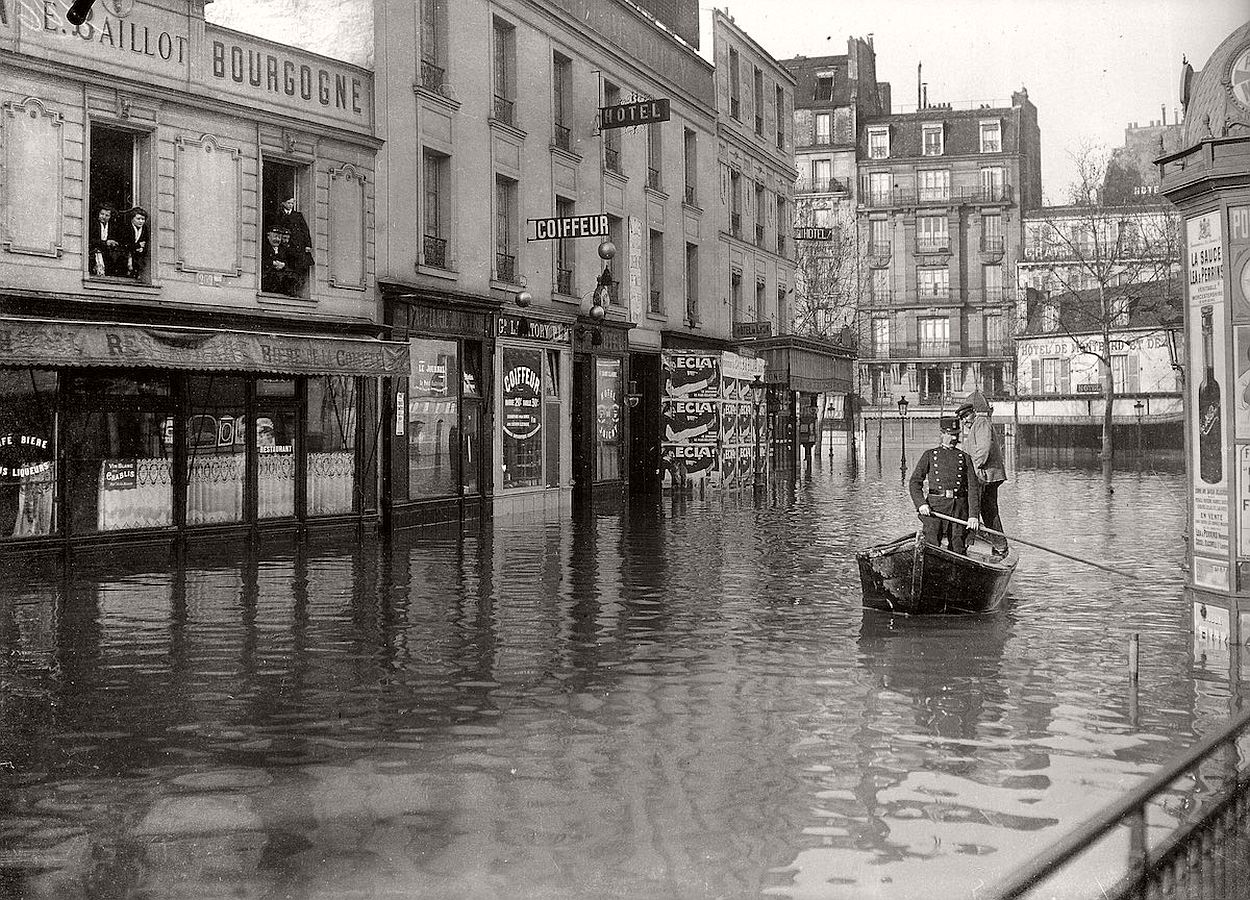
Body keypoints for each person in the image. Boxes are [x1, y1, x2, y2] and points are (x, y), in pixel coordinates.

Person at [908, 416, 981, 555]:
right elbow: (914, 482)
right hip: (935, 508)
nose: (954, 438)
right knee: (931, 546)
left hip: (958, 510)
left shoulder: (965, 457)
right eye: (950, 434)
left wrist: (973, 516)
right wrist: (921, 504)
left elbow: (973, 489)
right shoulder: (929, 455)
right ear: (941, 434)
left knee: (958, 547)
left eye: (956, 434)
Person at [956, 391, 1009, 558]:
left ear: (974, 413)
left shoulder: (981, 423)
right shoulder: (977, 425)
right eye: (962, 418)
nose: (964, 420)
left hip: (985, 475)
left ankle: (974, 544)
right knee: (986, 509)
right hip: (986, 474)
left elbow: (984, 450)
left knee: (979, 508)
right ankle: (997, 544)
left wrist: (970, 469)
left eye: (966, 416)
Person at [275, 198, 313, 293]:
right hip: (285, 244)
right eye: (288, 203)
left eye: (292, 203)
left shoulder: (298, 215)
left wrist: (308, 245)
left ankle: (294, 289)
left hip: (297, 245)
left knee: (297, 267)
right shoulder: (279, 215)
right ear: (283, 203)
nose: (291, 205)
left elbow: (305, 230)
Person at [89, 203, 123, 276]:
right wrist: (105, 243)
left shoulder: (113, 227)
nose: (104, 217)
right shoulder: (93, 224)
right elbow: (91, 240)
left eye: (107, 215)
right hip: (94, 252)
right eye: (102, 214)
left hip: (107, 254)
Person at [261, 224, 292, 294]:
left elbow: (288, 262)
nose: (277, 240)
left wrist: (283, 265)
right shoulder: (264, 248)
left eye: (279, 237)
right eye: (275, 237)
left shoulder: (283, 250)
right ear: (268, 236)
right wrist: (273, 263)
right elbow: (263, 261)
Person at [121, 206, 150, 279]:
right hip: (124, 256)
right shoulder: (126, 228)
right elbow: (124, 244)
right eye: (138, 219)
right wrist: (137, 245)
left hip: (136, 257)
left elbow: (145, 243)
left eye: (143, 219)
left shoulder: (144, 229)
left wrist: (141, 249)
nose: (141, 221)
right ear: (132, 219)